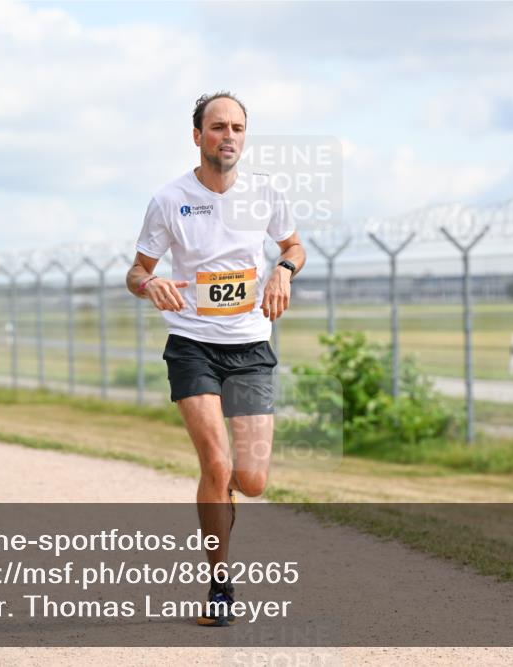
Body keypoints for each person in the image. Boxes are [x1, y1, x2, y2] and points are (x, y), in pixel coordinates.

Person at [126, 91, 305, 626]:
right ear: (198, 135)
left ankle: (221, 493)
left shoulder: (265, 193)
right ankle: (220, 585)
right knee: (217, 463)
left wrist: (282, 270)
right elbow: (136, 271)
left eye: (238, 128)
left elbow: (294, 245)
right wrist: (150, 283)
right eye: (218, 126)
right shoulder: (169, 199)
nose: (229, 136)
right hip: (192, 345)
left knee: (251, 481)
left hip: (250, 347)